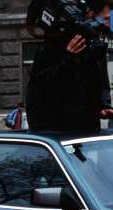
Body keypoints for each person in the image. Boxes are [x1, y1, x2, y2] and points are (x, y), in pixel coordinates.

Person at [26, 0, 113, 133]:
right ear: (90, 15)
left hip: (86, 128)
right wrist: (69, 59)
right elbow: (41, 88)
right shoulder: (52, 47)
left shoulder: (94, 47)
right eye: (106, 19)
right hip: (53, 131)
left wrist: (104, 105)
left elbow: (101, 82)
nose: (109, 24)